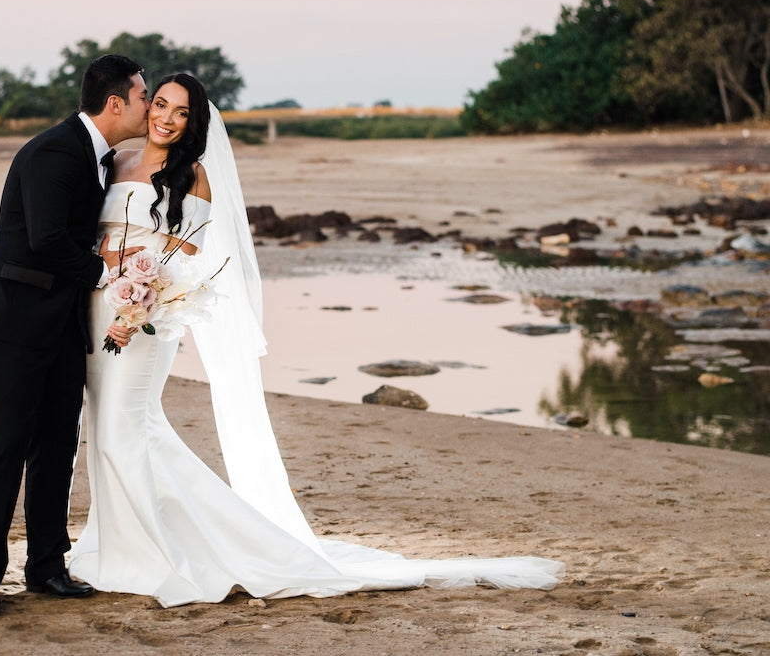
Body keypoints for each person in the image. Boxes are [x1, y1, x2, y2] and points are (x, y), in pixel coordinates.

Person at [67, 73, 563, 607]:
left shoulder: (194, 177)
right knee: (111, 429)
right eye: (159, 104)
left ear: (195, 122)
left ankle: (159, 555)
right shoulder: (114, 164)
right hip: (97, 309)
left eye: (181, 112)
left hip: (148, 316)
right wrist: (107, 274)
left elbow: (184, 261)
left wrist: (139, 297)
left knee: (126, 428)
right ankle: (119, 545)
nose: (166, 117)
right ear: (146, 108)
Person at [0, 54, 149, 617]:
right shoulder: (54, 151)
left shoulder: (99, 156)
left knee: (58, 445)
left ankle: (46, 567)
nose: (147, 103)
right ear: (115, 102)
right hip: (15, 318)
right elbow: (43, 240)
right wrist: (108, 275)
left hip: (63, 321)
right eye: (143, 96)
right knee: (8, 445)